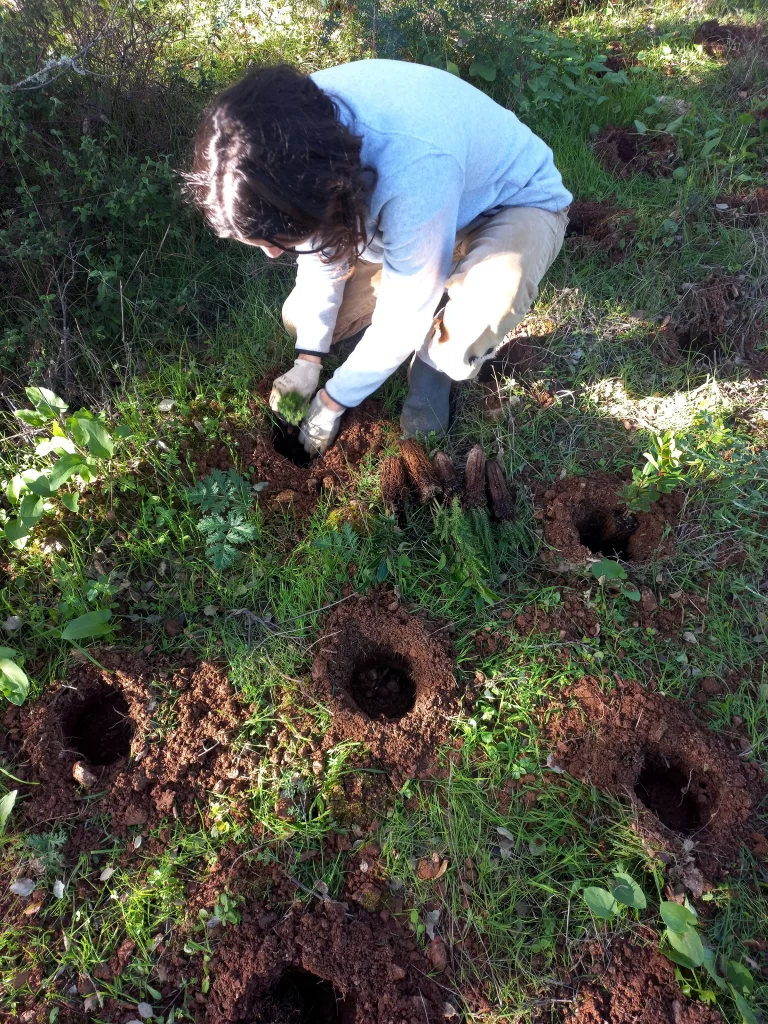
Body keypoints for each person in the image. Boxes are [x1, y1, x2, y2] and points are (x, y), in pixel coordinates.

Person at [186, 59, 571, 455]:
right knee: (301, 320)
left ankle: (434, 364)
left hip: (505, 203)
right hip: (413, 219)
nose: (271, 255)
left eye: (276, 237)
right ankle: (433, 275)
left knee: (493, 299)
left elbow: (403, 319)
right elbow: (323, 263)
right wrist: (308, 361)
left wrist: (332, 402)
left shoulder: (413, 162)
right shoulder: (292, 144)